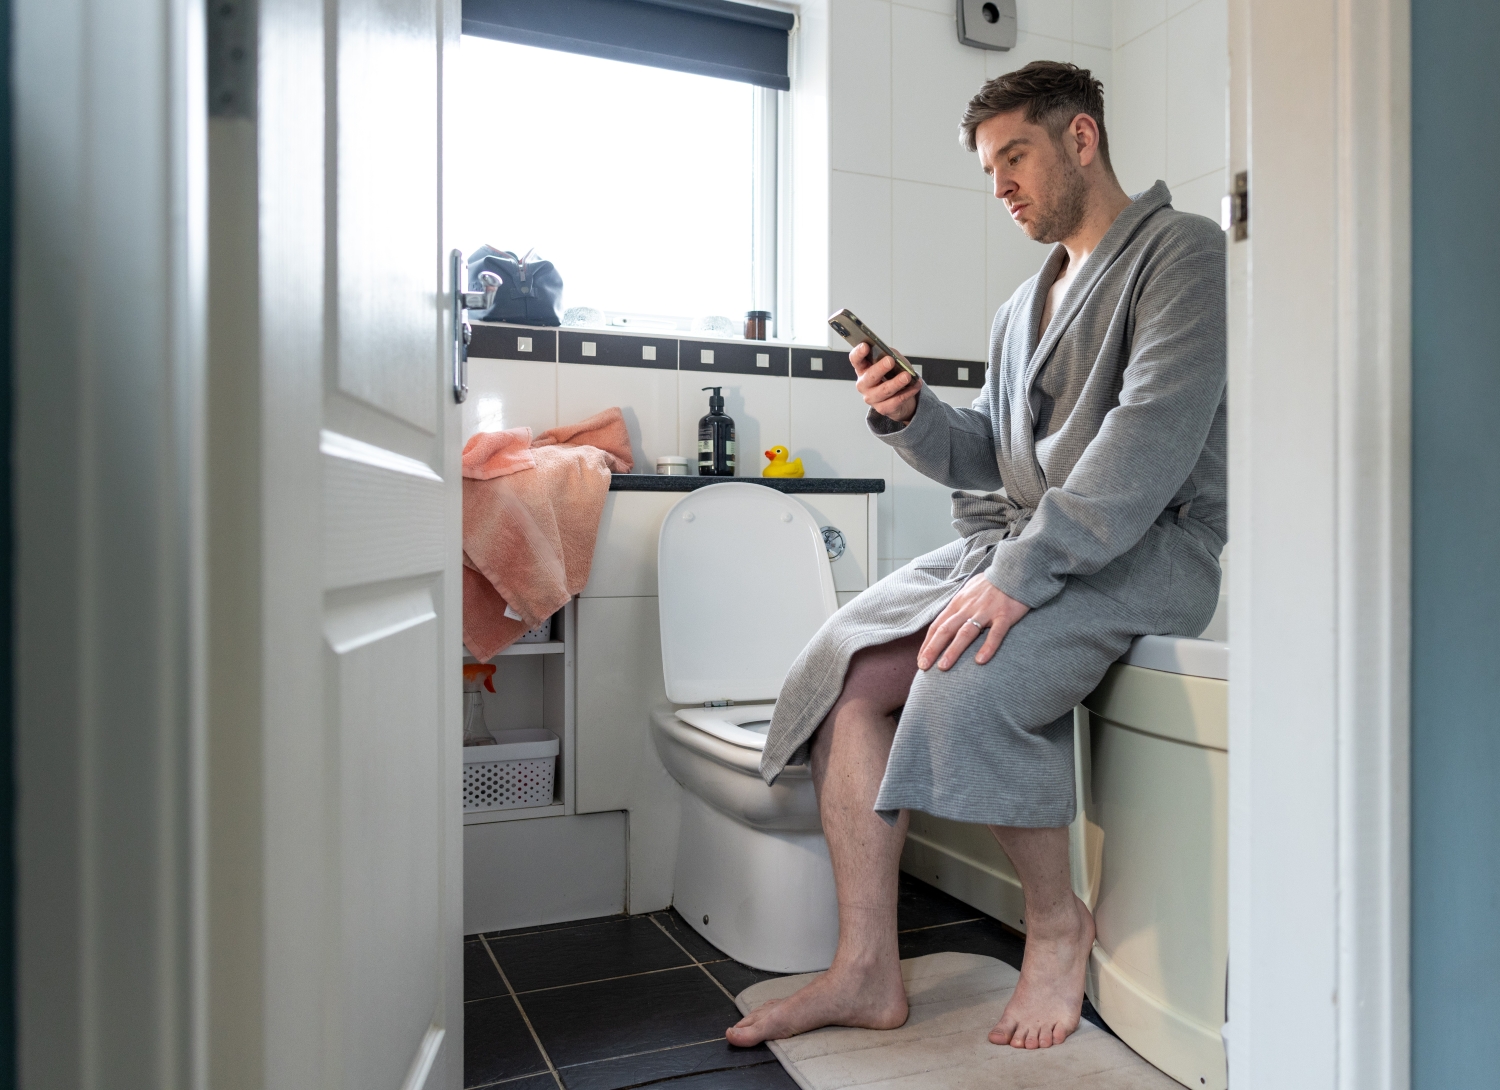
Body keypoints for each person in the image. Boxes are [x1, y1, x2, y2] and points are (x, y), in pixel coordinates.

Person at [727, 60, 1227, 1052]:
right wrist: (909, 414)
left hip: (1144, 548)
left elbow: (1145, 444)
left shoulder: (1182, 253)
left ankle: (1057, 923)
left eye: (1015, 156)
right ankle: (866, 966)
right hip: (1030, 543)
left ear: (1081, 139)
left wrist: (1017, 577)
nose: (1000, 186)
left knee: (962, 679)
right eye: (987, 168)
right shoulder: (1019, 309)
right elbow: (992, 458)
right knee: (847, 668)